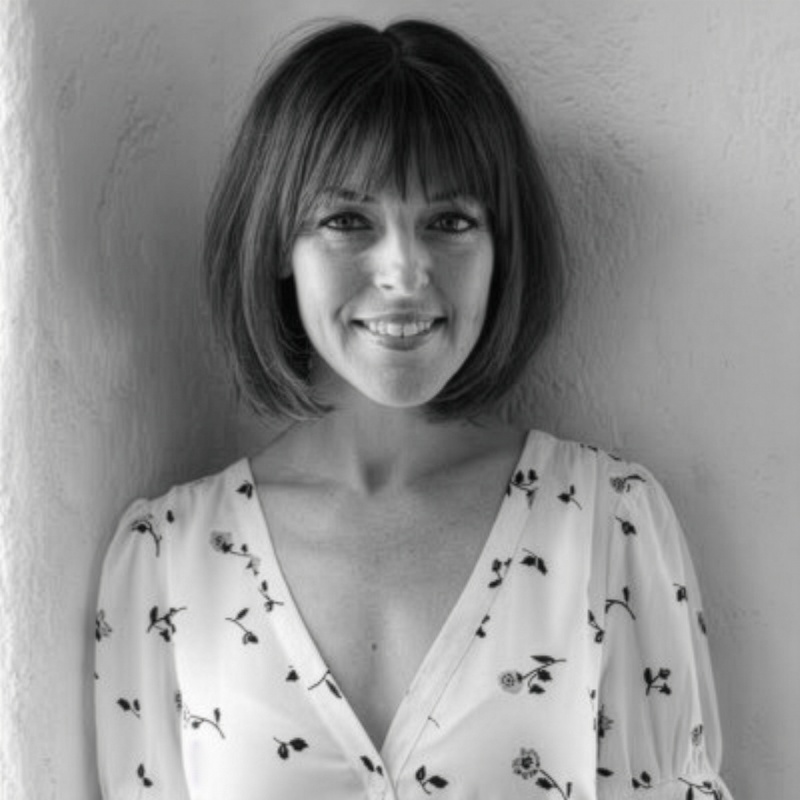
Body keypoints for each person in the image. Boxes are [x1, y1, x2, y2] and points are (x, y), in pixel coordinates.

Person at [94, 19, 733, 800]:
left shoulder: (610, 527)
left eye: (450, 221)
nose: (404, 270)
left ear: (504, 248)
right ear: (275, 248)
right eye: (347, 220)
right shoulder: (166, 564)